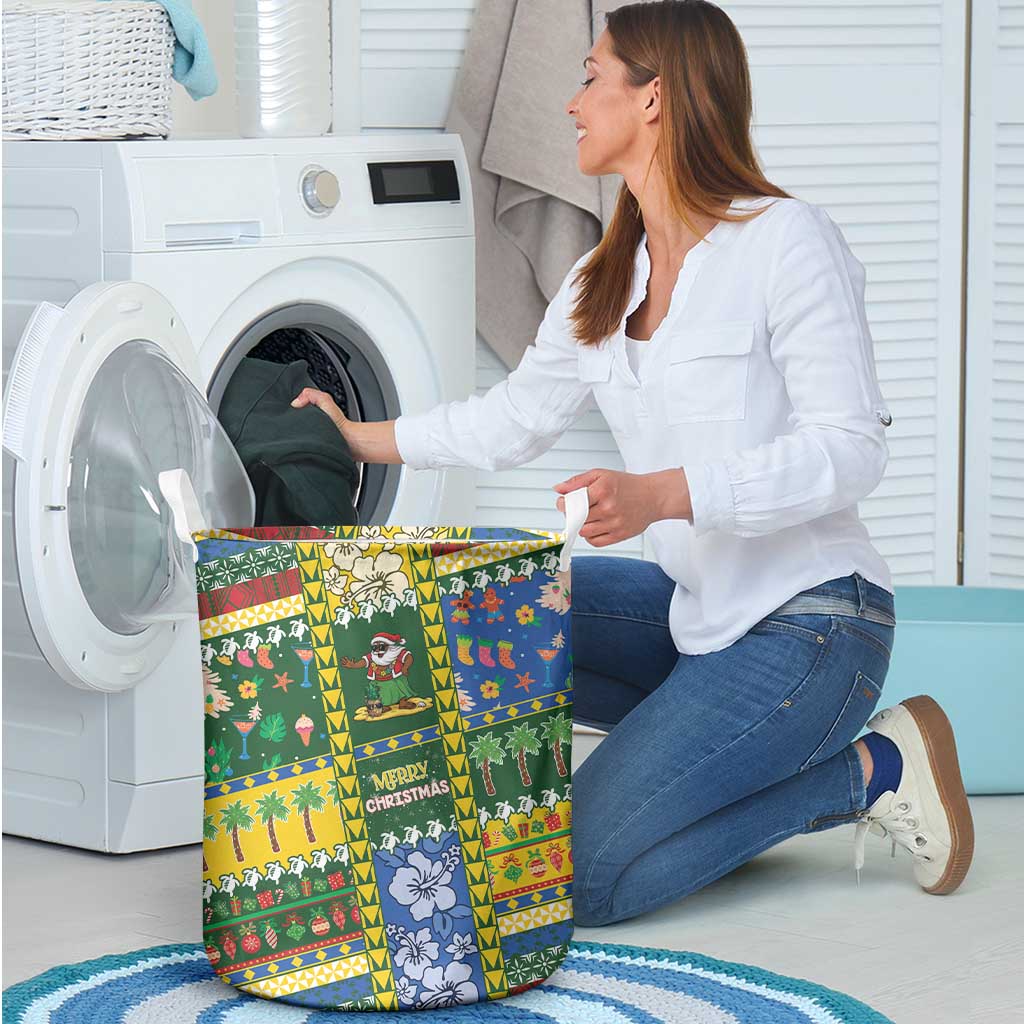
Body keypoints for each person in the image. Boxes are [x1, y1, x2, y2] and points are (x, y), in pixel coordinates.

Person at [291, 0, 974, 926]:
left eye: (590, 78)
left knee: (577, 879)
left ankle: (870, 771)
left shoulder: (785, 240)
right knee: (468, 613)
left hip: (814, 623)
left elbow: (850, 451)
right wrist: (360, 435)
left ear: (653, 98)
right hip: (696, 614)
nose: (571, 103)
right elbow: (513, 420)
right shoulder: (602, 278)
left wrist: (665, 496)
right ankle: (643, 773)